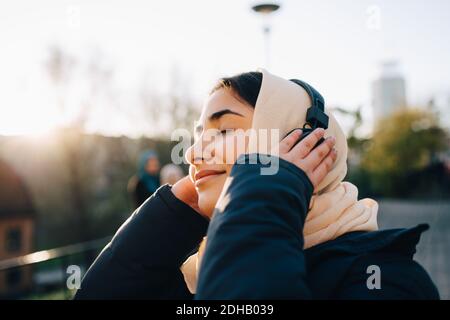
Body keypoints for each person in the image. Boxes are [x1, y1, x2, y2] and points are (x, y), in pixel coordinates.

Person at [75, 70, 439, 299]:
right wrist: (172, 216)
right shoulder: (196, 271)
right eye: (199, 135)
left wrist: (263, 192)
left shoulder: (386, 279)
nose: (194, 154)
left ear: (301, 142)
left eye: (226, 130)